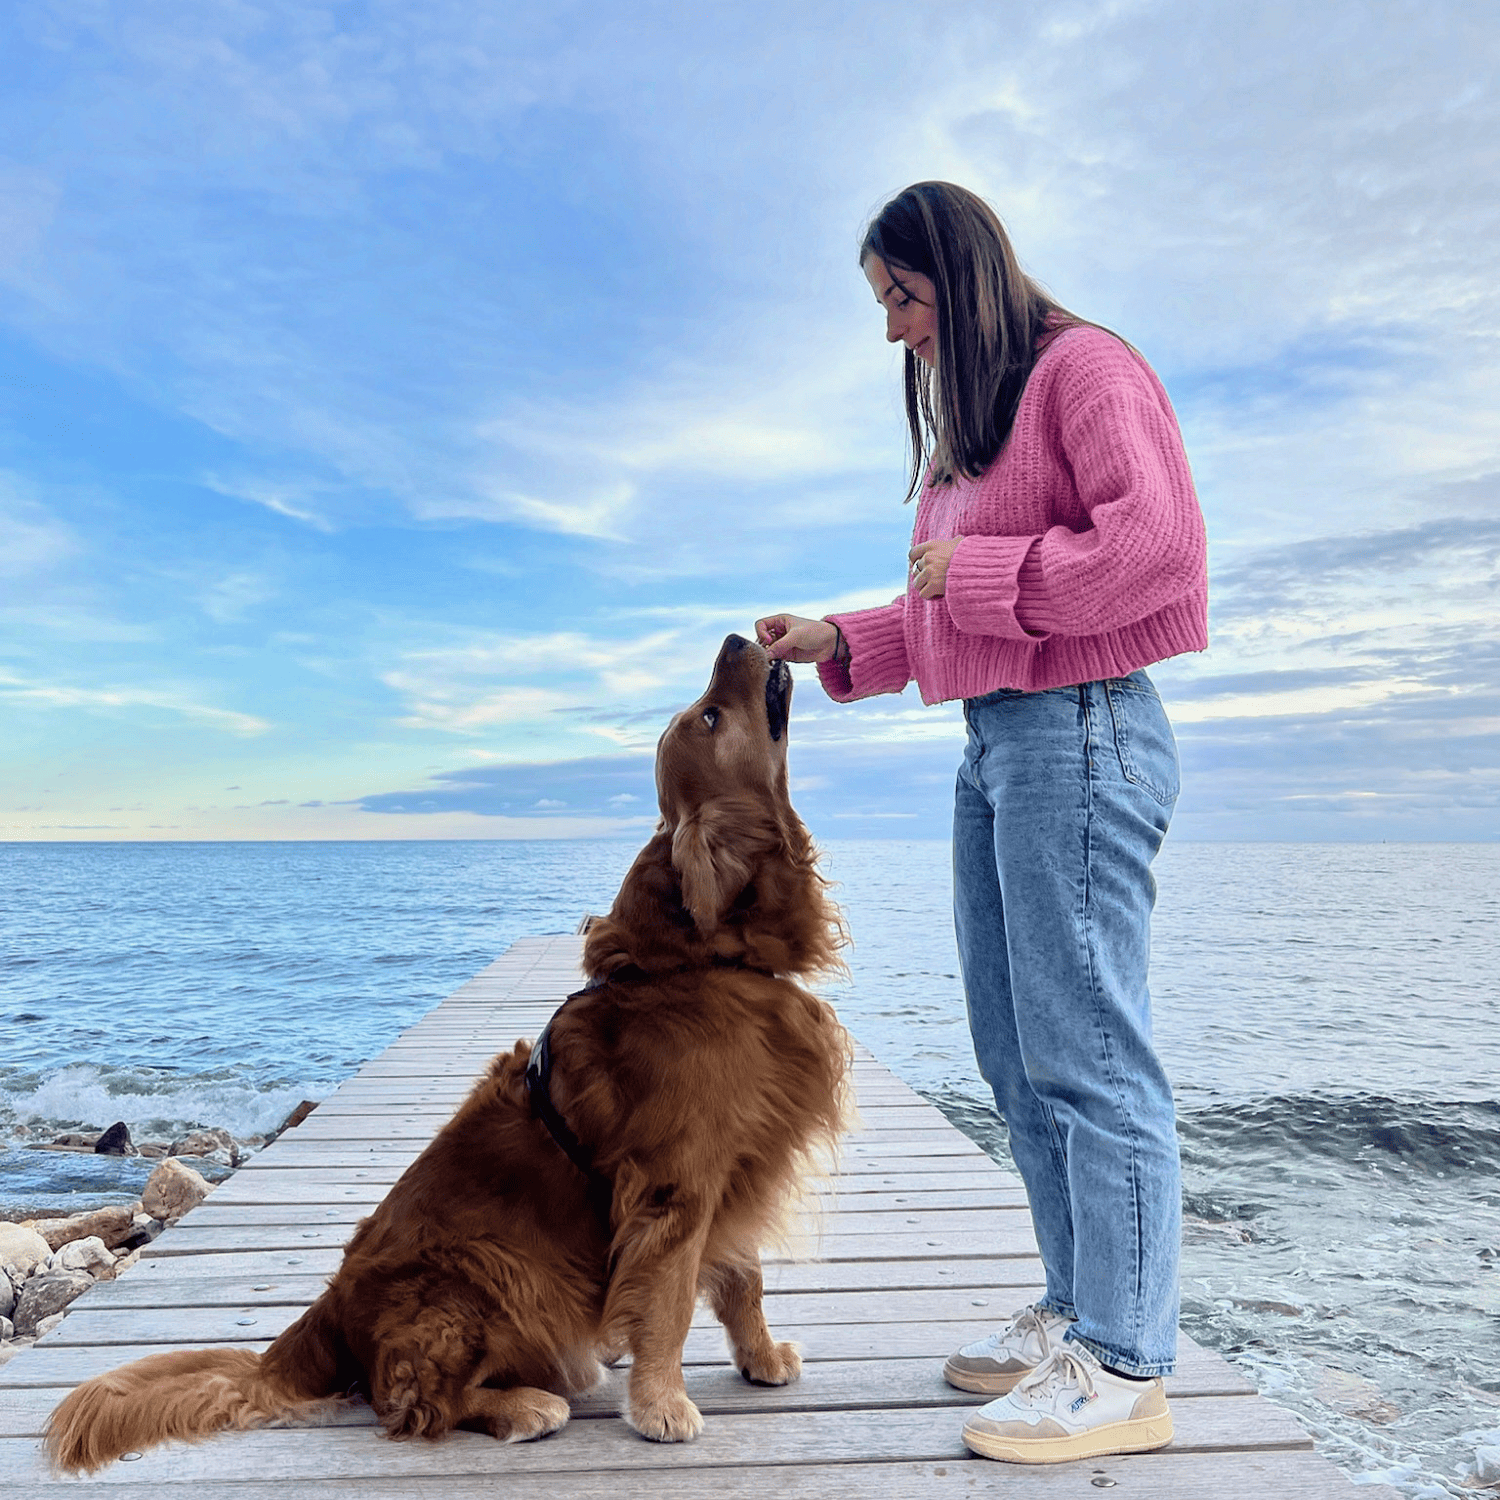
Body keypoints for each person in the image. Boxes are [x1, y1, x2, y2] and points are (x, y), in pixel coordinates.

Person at [754, 181, 1207, 1465]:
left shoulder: (1085, 369)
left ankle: (1125, 1365)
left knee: (1090, 1054)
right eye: (881, 303)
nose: (893, 328)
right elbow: (957, 610)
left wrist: (991, 571)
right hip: (1001, 740)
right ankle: (1077, 1310)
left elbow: (1160, 550)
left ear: (962, 271)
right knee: (1016, 1053)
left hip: (1083, 729)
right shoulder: (976, 420)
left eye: (902, 295)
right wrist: (845, 637)